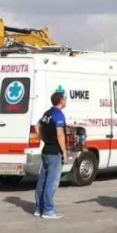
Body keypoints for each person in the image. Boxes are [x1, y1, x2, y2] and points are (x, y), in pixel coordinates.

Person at [34, 91, 69, 219]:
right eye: (64, 99)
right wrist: (64, 152)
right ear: (60, 100)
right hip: (55, 152)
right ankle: (48, 210)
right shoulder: (58, 115)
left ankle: (39, 208)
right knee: (52, 182)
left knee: (42, 181)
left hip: (46, 151)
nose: (65, 101)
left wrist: (43, 138)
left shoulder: (47, 113)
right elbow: (60, 134)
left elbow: (37, 126)